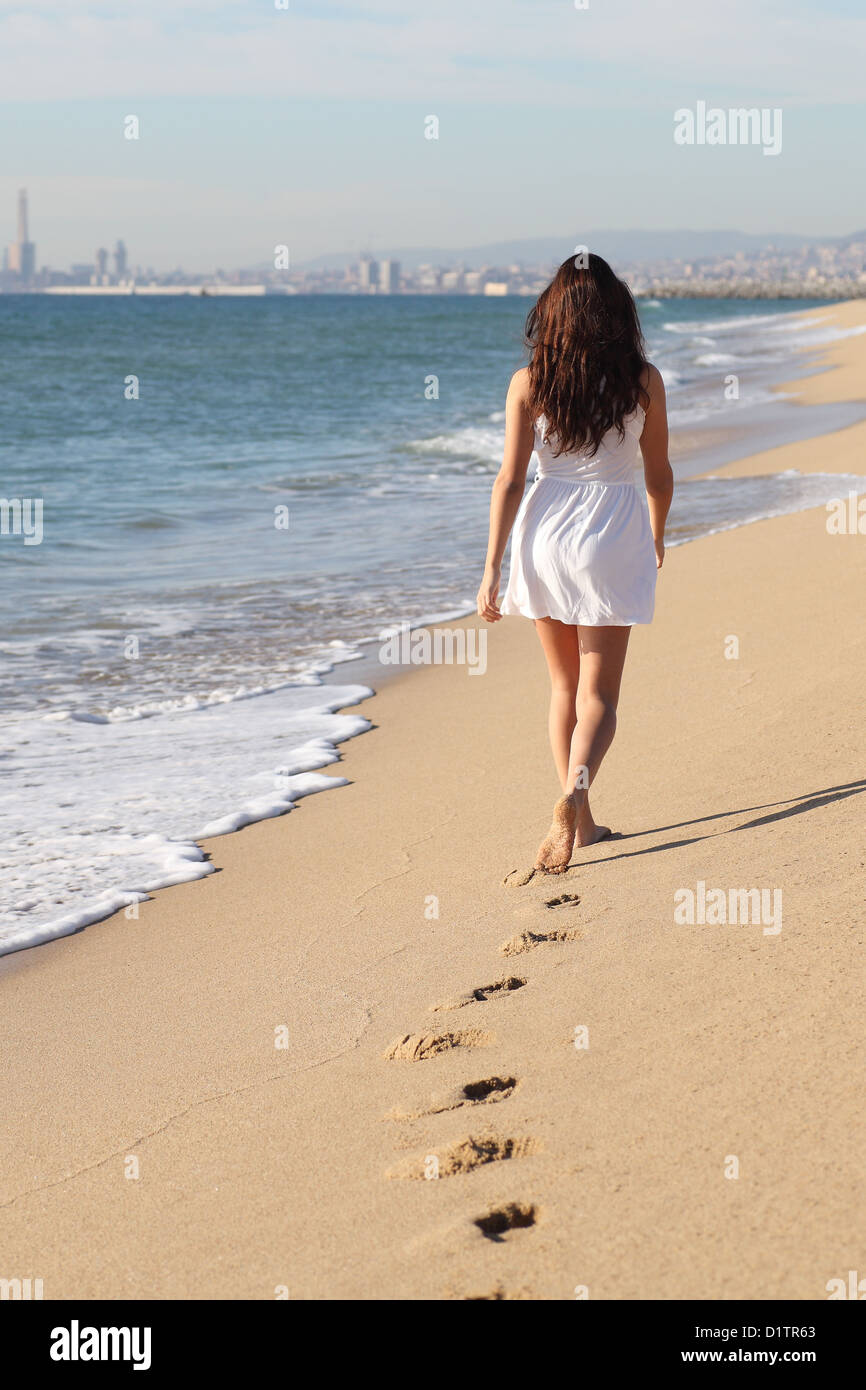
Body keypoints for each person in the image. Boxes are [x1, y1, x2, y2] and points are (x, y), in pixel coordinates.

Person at [476, 253, 674, 873]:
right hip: (611, 532)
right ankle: (576, 798)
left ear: (553, 314)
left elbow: (509, 480)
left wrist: (491, 568)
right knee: (602, 698)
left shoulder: (529, 382)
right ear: (618, 312)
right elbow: (659, 474)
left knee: (563, 687)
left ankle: (579, 822)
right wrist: (657, 533)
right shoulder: (643, 380)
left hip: (543, 533)